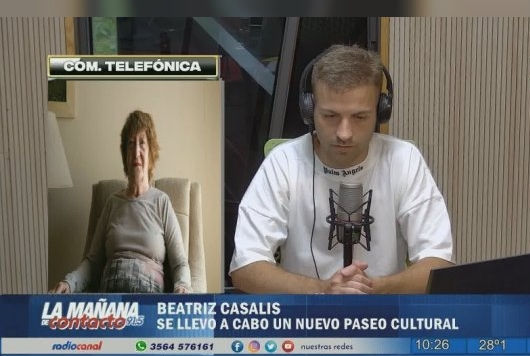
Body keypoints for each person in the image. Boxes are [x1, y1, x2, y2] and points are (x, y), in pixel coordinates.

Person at [229, 44, 453, 295]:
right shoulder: (283, 163)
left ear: (381, 111)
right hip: (307, 314)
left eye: (359, 117)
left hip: (383, 313)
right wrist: (323, 290)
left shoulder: (404, 160)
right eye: (330, 116)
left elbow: (439, 262)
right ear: (309, 110)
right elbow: (245, 268)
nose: (344, 133)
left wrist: (372, 288)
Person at [51, 110, 192, 294]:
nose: (136, 152)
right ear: (125, 153)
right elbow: (92, 262)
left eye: (142, 143)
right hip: (111, 302)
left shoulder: (162, 202)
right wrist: (69, 282)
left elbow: (180, 263)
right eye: (130, 144)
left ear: (151, 152)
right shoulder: (112, 203)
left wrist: (182, 286)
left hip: (147, 300)